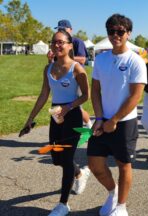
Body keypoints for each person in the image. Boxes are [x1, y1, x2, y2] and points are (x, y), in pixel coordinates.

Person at [21, 29, 90, 215]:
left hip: (73, 116)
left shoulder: (77, 68)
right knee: (57, 159)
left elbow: (86, 96)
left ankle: (63, 204)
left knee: (66, 159)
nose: (57, 45)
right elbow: (44, 94)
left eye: (61, 42)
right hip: (56, 116)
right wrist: (30, 119)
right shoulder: (49, 68)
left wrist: (69, 107)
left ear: (69, 46)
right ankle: (80, 173)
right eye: (54, 42)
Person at [87, 14, 147, 216]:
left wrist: (114, 119)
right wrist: (100, 117)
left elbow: (135, 96)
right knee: (94, 164)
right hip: (103, 120)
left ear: (128, 33)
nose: (115, 35)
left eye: (120, 31)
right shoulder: (101, 59)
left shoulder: (135, 61)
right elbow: (95, 91)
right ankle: (112, 193)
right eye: (111, 31)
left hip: (124, 123)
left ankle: (121, 206)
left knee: (124, 165)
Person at [48, 19, 93, 129]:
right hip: (60, 76)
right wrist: (51, 60)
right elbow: (53, 64)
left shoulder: (77, 42)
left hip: (75, 78)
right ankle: (62, 132)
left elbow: (83, 59)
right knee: (61, 108)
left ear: (71, 30)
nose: (61, 31)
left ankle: (89, 127)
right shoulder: (57, 44)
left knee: (77, 107)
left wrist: (66, 58)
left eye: (64, 29)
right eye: (59, 29)